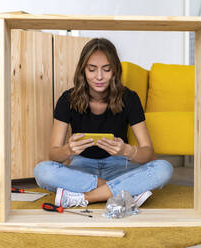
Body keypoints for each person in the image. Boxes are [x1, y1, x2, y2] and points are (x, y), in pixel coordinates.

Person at [34, 38, 173, 208]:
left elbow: (149, 155)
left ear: (115, 71)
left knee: (164, 168)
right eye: (92, 70)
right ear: (83, 71)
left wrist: (127, 151)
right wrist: (68, 150)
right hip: (82, 169)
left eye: (106, 70)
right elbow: (53, 155)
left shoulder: (129, 98)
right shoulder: (67, 99)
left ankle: (86, 197)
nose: (99, 76)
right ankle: (124, 191)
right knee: (42, 171)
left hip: (119, 167)